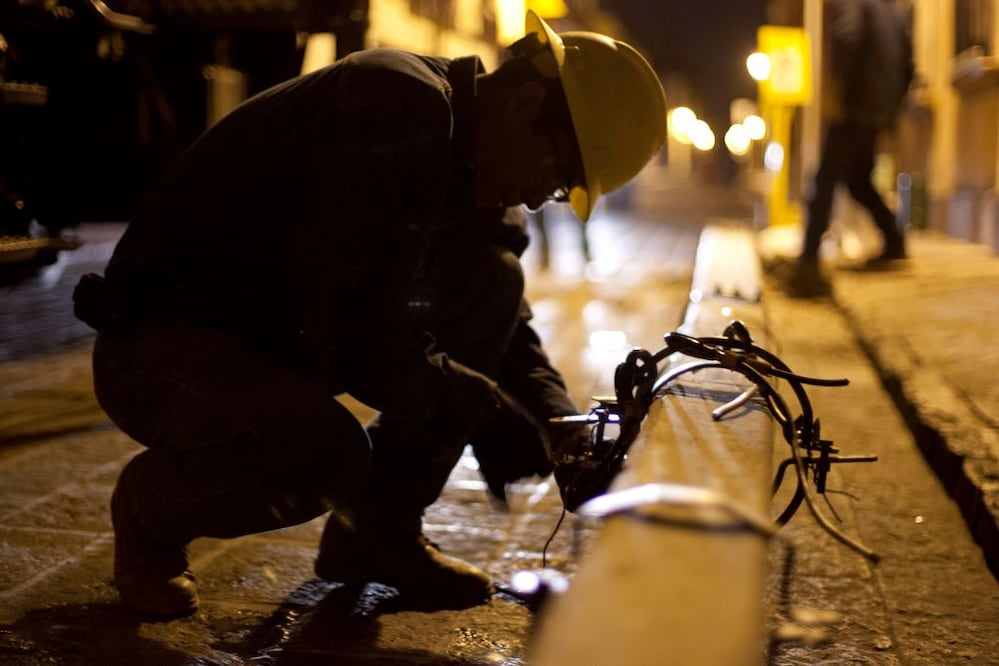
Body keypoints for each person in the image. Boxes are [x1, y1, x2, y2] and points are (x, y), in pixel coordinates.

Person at [72, 11, 667, 619]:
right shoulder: (389, 104)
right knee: (326, 456)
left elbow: (503, 321)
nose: (545, 197)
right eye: (558, 175)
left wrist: (553, 417)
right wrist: (486, 412)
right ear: (524, 105)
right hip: (163, 346)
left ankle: (377, 534)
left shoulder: (478, 167)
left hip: (263, 344)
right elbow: (345, 327)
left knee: (495, 278)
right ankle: (150, 513)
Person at [790, 0, 914, 297]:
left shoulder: (855, 3)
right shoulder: (893, 12)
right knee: (858, 180)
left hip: (856, 102)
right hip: (879, 107)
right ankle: (894, 242)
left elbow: (848, 36)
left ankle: (808, 260)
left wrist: (837, 87)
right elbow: (909, 64)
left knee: (825, 178)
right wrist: (891, 106)